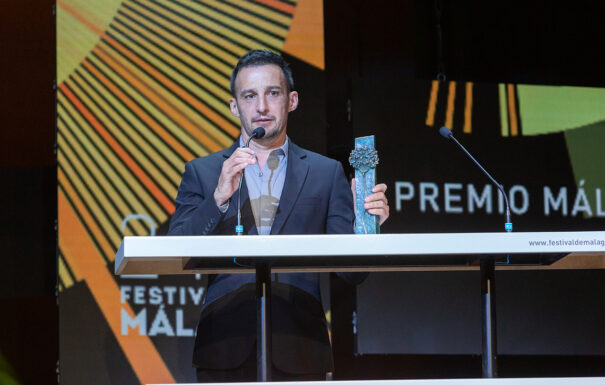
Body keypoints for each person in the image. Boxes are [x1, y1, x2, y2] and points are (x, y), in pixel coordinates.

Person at [168, 49, 389, 382]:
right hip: (225, 347)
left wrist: (367, 226)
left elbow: (351, 273)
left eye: (272, 93)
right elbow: (176, 253)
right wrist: (218, 199)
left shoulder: (325, 172)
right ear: (234, 106)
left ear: (292, 100)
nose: (261, 107)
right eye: (249, 96)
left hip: (301, 348)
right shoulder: (204, 172)